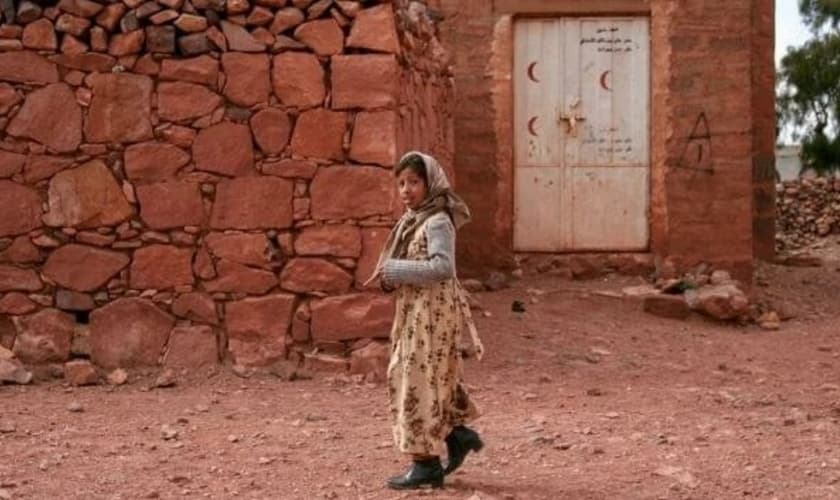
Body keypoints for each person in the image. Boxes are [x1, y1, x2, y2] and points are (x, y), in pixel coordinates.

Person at [365, 151, 486, 490]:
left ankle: (425, 464)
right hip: (417, 312)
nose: (406, 189)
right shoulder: (415, 218)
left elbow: (442, 267)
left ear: (430, 183)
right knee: (430, 376)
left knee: (413, 379)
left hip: (431, 314)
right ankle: (456, 434)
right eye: (401, 183)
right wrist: (390, 277)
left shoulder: (437, 220)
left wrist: (395, 270)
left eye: (414, 182)